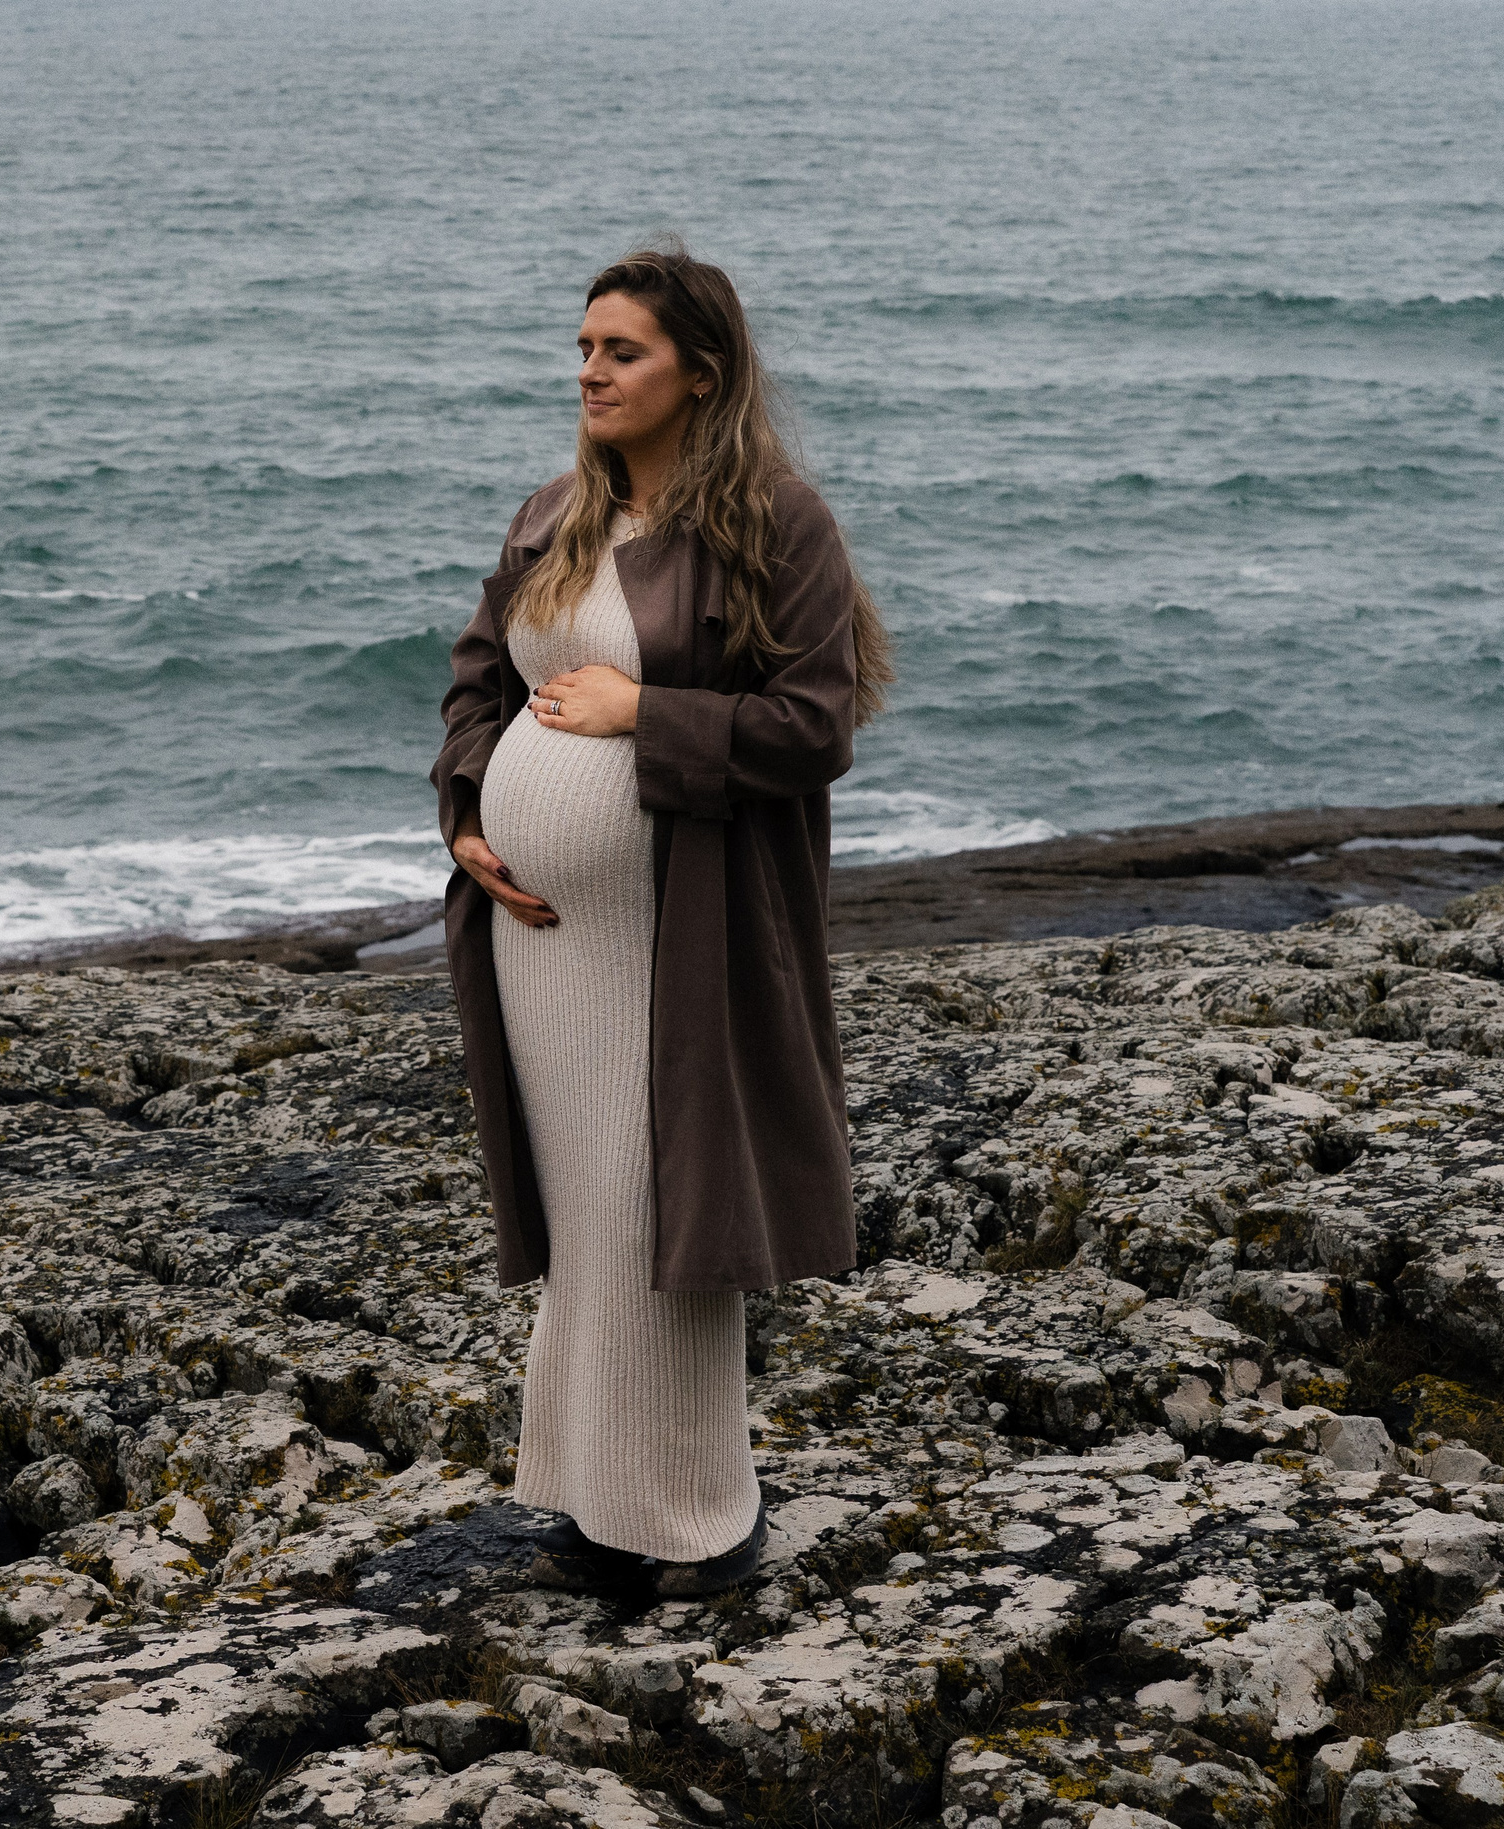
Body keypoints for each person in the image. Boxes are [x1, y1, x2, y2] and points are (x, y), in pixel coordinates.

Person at [431, 241, 892, 1598]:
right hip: (540, 935)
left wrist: (648, 715)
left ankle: (702, 1519)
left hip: (680, 934)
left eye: (620, 351)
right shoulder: (548, 515)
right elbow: (474, 686)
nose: (589, 371)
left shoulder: (774, 522)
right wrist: (468, 818)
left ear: (701, 371)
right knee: (589, 1213)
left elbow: (819, 724)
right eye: (581, 348)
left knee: (660, 1211)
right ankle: (595, 1500)